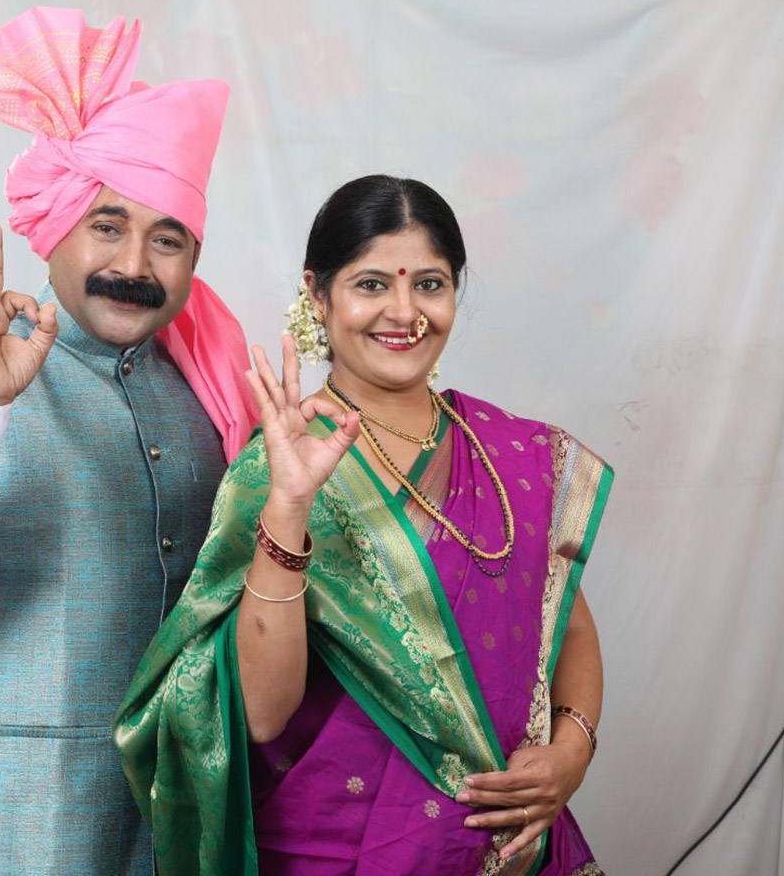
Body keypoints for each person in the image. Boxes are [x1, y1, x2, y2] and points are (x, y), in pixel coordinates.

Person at [0, 7, 256, 875]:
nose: (134, 265)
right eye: (107, 225)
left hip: (177, 835)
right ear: (57, 225)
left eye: (167, 239)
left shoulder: (214, 391)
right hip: (14, 836)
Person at [117, 175, 613, 875]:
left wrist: (572, 751)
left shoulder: (512, 457)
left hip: (519, 850)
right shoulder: (275, 472)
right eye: (371, 284)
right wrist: (290, 507)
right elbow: (260, 713)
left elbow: (572, 627)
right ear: (318, 295)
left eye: (430, 285)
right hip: (343, 849)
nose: (404, 313)